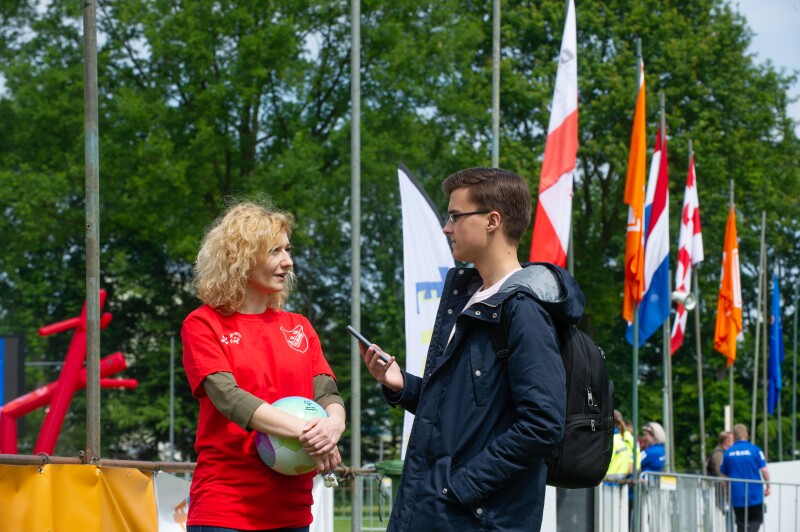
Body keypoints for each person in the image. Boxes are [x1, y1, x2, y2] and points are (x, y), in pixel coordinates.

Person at [360, 167, 583, 531]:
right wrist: (403, 386)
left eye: (456, 216)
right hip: (439, 511)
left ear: (493, 221)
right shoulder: (468, 299)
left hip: (477, 517)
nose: (447, 227)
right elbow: (464, 413)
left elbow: (543, 424)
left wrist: (460, 487)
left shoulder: (523, 308)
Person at [182, 200, 346, 531]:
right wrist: (310, 434)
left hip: (294, 510)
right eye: (275, 251)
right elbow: (229, 397)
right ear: (241, 259)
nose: (288, 262)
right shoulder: (203, 324)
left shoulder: (299, 325)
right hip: (226, 509)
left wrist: (334, 426)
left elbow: (326, 390)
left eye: (288, 249)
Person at [720, 424, 770, 532]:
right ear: (746, 434)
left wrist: (727, 493)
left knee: (741, 523)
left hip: (737, 494)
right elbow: (764, 470)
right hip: (755, 493)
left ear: (734, 436)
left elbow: (724, 476)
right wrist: (768, 485)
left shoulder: (728, 453)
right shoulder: (755, 450)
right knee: (757, 519)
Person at [606, 410, 633, 482]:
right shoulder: (621, 438)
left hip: (608, 483)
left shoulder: (611, 439)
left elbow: (605, 462)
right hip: (621, 481)